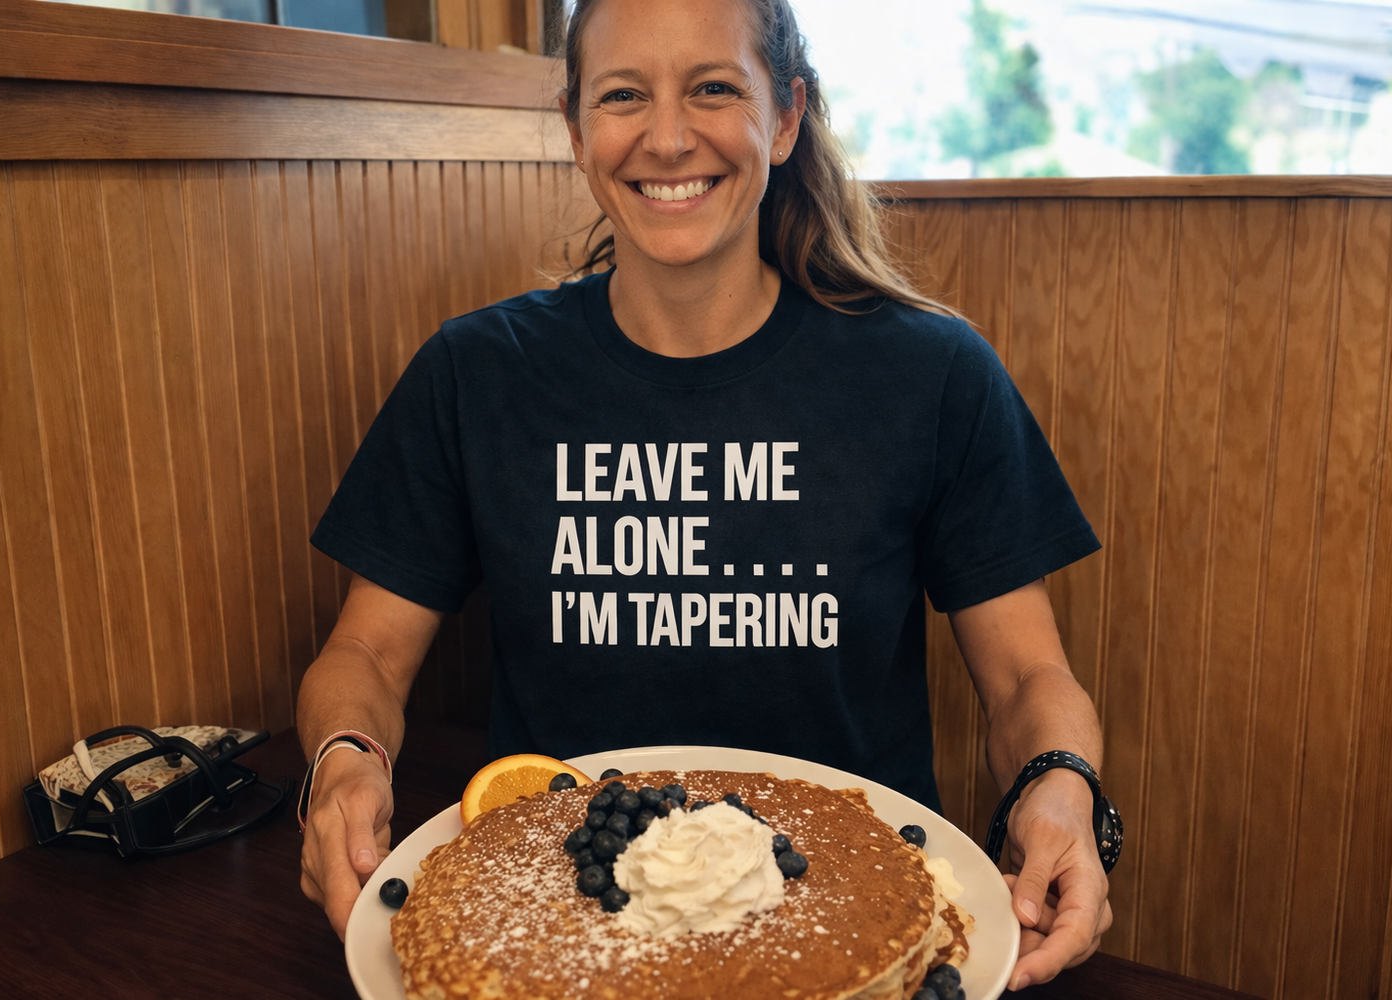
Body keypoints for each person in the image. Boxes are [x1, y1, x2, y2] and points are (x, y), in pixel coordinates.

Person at [296, 0, 1112, 990]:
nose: (669, 137)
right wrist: (345, 760)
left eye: (714, 88)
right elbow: (367, 654)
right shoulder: (475, 372)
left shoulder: (934, 374)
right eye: (623, 96)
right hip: (554, 929)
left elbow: (1027, 678)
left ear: (786, 117)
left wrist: (1061, 787)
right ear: (575, 128)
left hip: (858, 922)